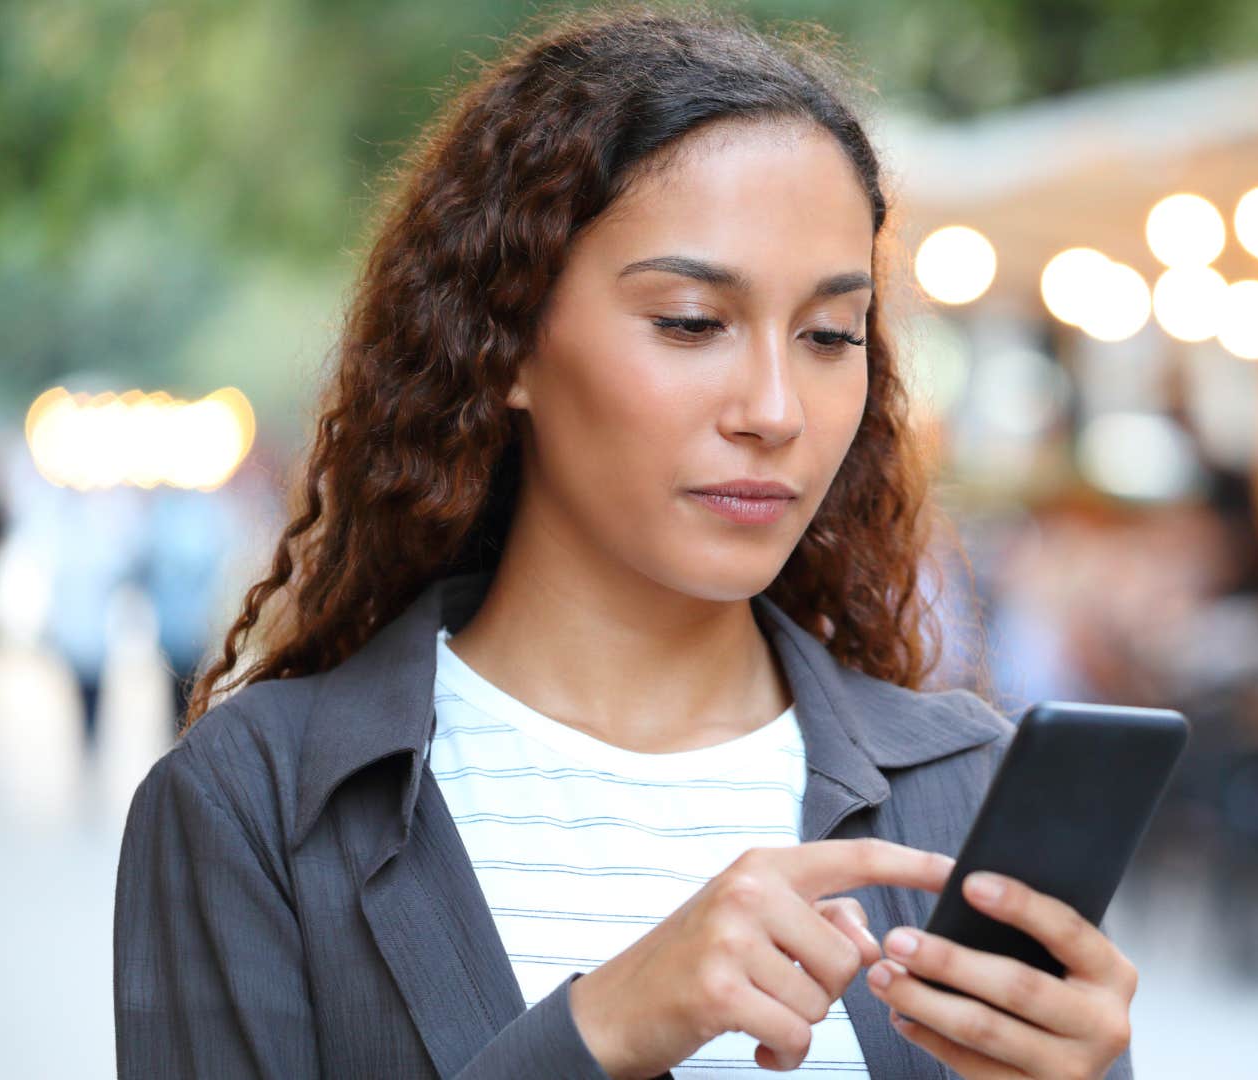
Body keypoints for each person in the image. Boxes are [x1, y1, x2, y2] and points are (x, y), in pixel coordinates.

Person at [112, 7, 1138, 1079]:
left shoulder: (957, 789)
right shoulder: (258, 805)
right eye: (693, 321)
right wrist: (599, 1033)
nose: (776, 409)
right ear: (503, 343)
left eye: (831, 335)